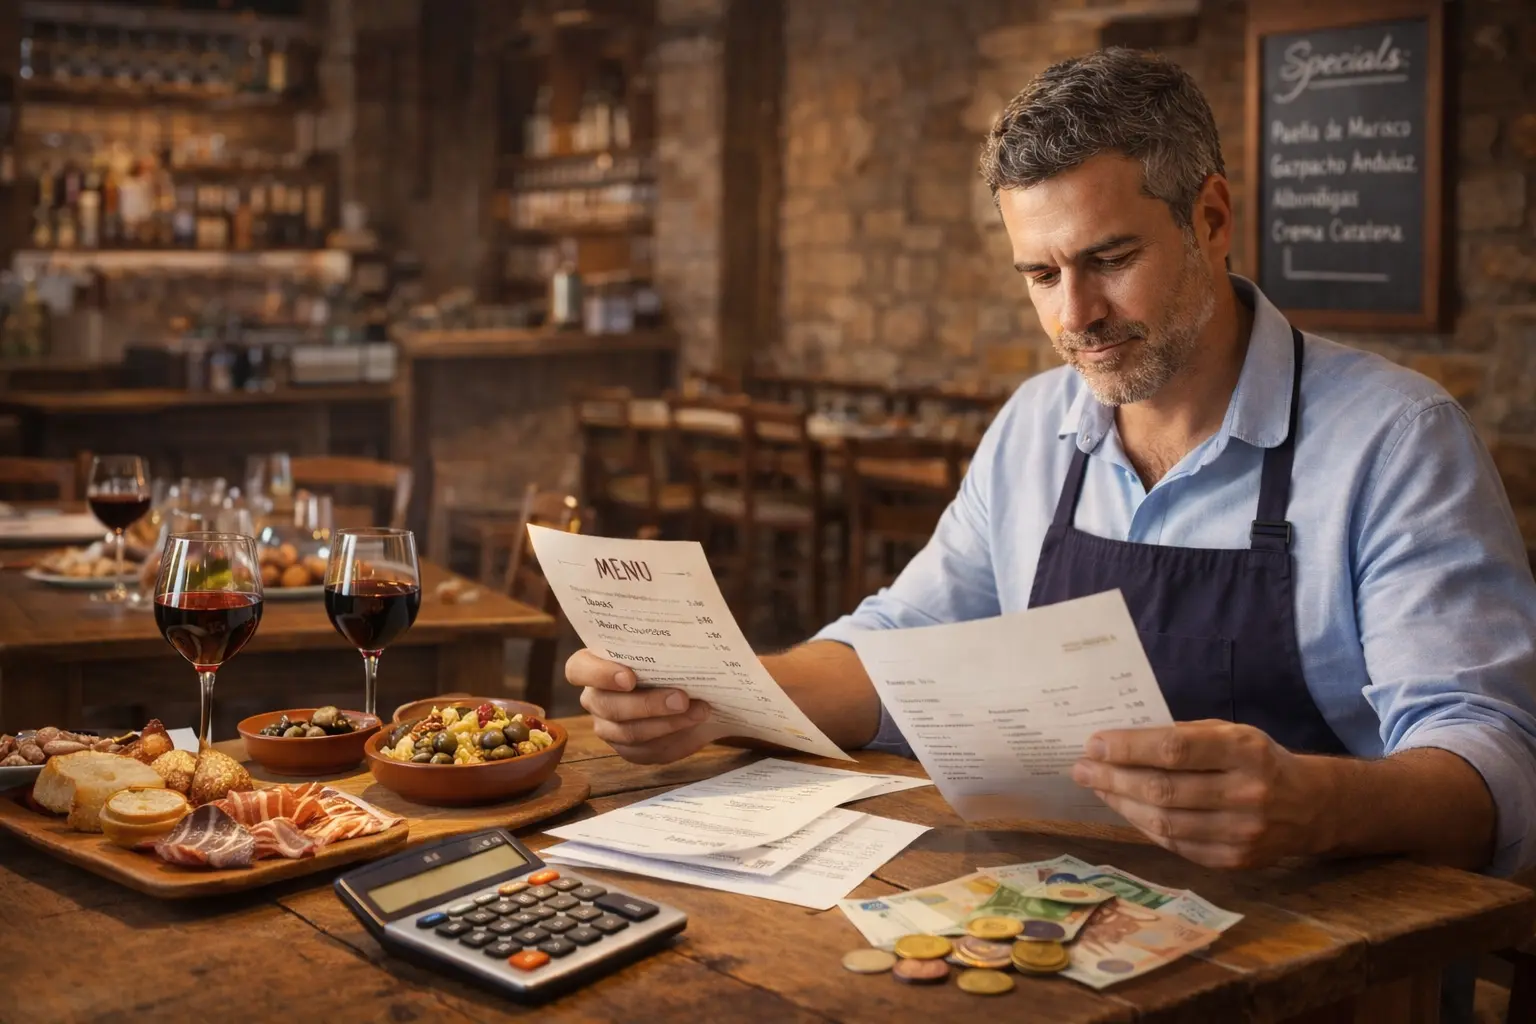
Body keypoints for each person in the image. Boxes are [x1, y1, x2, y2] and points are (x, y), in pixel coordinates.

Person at [565, 49, 1536, 883]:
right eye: (1040, 274)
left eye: (1109, 258)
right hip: (1059, 922)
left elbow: (1496, 769)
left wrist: (1319, 805)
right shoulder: (1036, 427)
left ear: (1211, 216)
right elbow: (898, 648)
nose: (1075, 316)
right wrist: (717, 700)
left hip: (1328, 957)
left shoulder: (1396, 440)